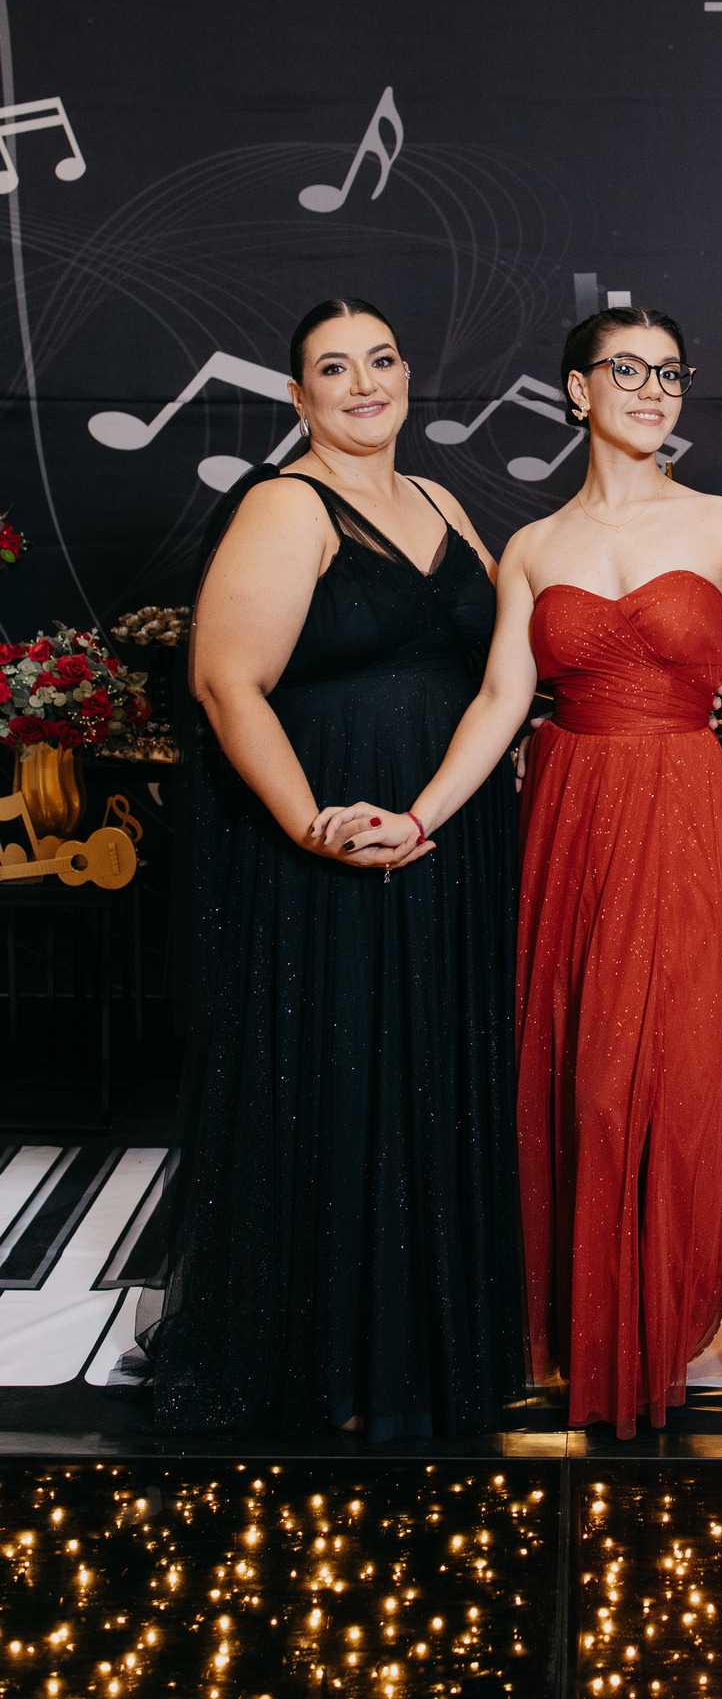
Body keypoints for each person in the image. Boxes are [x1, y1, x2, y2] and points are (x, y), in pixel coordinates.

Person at [314, 306, 722, 1439]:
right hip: (571, 809)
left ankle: (663, 1326)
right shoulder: (533, 546)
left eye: (670, 374)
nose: (652, 391)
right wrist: (419, 815)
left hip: (683, 804)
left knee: (676, 1072)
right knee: (581, 1075)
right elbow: (501, 701)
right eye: (627, 370)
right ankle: (588, 1325)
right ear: (578, 391)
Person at [149, 298, 524, 1442]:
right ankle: (330, 1360)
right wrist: (314, 823)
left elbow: (501, 673)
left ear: (408, 374)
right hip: (333, 841)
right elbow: (226, 686)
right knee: (343, 1078)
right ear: (299, 395)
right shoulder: (286, 504)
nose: (366, 384)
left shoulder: (444, 502)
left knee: (431, 1072)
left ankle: (424, 1349)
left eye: (383, 359)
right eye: (335, 368)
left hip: (445, 836)